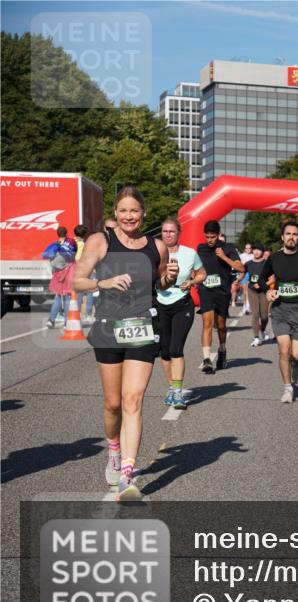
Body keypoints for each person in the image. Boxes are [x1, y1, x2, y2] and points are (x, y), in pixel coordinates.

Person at [73, 186, 178, 501]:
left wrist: (169, 278)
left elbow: (159, 281)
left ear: (143, 213)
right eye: (123, 211)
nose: (129, 216)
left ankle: (127, 475)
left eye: (134, 211)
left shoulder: (157, 247)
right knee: (113, 404)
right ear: (116, 213)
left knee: (133, 400)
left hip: (142, 327)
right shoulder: (100, 241)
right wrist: (102, 282)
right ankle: (114, 451)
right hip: (108, 328)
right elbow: (77, 280)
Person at [259, 220, 298, 402]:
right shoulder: (274, 258)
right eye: (288, 234)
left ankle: (296, 365)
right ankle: (287, 388)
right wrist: (267, 290)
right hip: (280, 309)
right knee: (284, 350)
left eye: (295, 234)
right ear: (282, 237)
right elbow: (261, 279)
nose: (291, 237)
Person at [156, 218, 206, 409]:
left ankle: (178, 391)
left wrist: (193, 282)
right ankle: (171, 387)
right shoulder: (155, 252)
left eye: (172, 231)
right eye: (165, 231)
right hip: (160, 302)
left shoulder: (189, 253)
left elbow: (202, 273)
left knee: (176, 348)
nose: (168, 234)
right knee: (165, 350)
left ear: (179, 233)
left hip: (182, 304)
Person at [196, 220, 243, 373]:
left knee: (221, 325)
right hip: (205, 290)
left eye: (212, 237)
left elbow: (241, 268)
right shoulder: (201, 248)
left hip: (222, 291)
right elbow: (196, 267)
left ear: (218, 235)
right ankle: (207, 359)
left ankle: (222, 350)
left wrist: (224, 257)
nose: (209, 240)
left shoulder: (227, 248)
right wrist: (194, 278)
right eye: (207, 237)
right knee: (207, 323)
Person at [43, 227, 77, 328]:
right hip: (69, 272)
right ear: (66, 234)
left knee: (58, 297)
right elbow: (76, 254)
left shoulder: (54, 245)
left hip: (58, 274)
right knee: (67, 298)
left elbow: (47, 256)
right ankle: (66, 323)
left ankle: (51, 320)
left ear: (57, 234)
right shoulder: (71, 242)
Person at [243, 243, 270, 347]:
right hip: (252, 290)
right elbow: (242, 273)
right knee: (255, 314)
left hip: (264, 291)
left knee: (264, 316)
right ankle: (256, 338)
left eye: (259, 250)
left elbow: (272, 278)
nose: (256, 252)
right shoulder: (248, 264)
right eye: (255, 249)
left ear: (262, 252)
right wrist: (237, 281)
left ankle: (262, 329)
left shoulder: (266, 263)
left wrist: (263, 284)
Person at [238, 243, 254, 315]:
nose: (248, 249)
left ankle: (248, 306)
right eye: (247, 248)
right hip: (243, 273)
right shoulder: (241, 256)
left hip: (250, 274)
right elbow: (239, 265)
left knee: (248, 291)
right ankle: (245, 305)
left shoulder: (253, 256)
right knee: (244, 291)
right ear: (244, 249)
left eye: (249, 248)